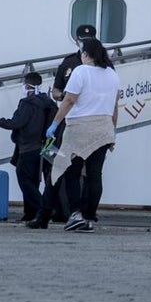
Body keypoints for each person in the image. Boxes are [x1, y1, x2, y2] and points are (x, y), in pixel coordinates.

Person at [45, 37, 119, 233]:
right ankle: (88, 216)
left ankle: (75, 214)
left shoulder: (81, 71)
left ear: (86, 54)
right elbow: (114, 107)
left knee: (72, 171)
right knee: (95, 174)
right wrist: (113, 130)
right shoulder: (112, 74)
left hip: (80, 126)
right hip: (104, 127)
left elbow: (68, 101)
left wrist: (54, 123)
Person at [0, 72, 57, 228]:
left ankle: (44, 208)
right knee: (34, 181)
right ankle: (31, 214)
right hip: (44, 147)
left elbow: (17, 123)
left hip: (27, 147)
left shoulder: (27, 103)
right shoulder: (48, 102)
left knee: (25, 181)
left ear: (27, 86)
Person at [48, 23, 96, 221]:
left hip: (90, 121)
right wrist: (64, 97)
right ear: (77, 40)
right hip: (69, 120)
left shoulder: (102, 64)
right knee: (65, 167)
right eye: (82, 40)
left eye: (88, 40)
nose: (84, 44)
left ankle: (87, 212)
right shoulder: (69, 63)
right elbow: (56, 90)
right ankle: (63, 211)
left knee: (90, 171)